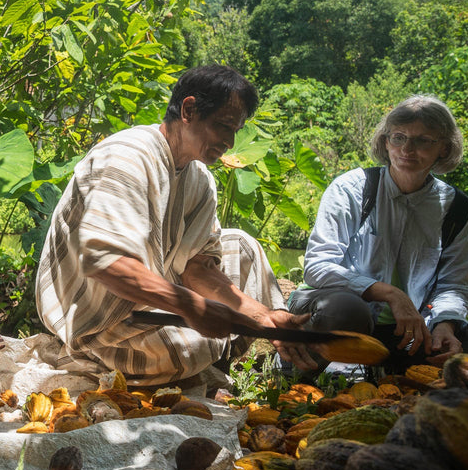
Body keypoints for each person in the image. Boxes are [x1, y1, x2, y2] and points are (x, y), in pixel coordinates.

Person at [36, 64, 318, 388]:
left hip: (146, 303)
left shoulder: (200, 180)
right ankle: (93, 355)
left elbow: (197, 269)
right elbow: (106, 264)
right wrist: (190, 305)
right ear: (189, 109)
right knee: (195, 348)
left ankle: (211, 360)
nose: (229, 141)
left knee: (242, 247)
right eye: (223, 126)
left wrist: (264, 318)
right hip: (97, 317)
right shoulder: (128, 156)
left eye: (235, 130)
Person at [289, 95, 468, 372]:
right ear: (386, 142)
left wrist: (445, 323)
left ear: (444, 149)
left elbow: (454, 285)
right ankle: (304, 376)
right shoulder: (352, 189)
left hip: (408, 327)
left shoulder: (456, 209)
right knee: (348, 310)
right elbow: (317, 267)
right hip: (334, 309)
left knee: (460, 335)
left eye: (423, 140)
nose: (407, 149)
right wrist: (390, 294)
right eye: (398, 137)